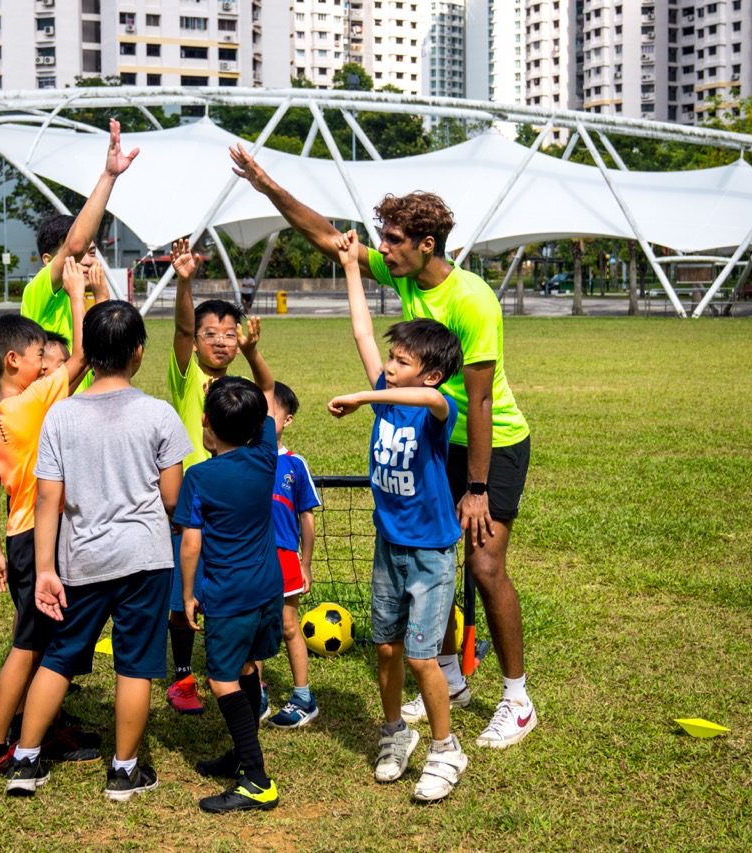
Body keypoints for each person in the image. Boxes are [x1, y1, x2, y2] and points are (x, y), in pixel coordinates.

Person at [230, 145, 536, 749]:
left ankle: (517, 697)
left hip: (489, 442)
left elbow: (475, 404)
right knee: (436, 559)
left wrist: (475, 489)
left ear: (426, 244)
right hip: (433, 441)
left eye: (392, 239)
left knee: (483, 563)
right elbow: (326, 237)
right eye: (383, 238)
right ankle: (449, 680)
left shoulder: (472, 300)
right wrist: (267, 185)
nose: (383, 247)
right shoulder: (401, 273)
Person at [3, 300, 191, 801]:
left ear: (88, 351)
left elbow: (47, 497)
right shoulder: (160, 415)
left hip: (79, 559)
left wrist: (46, 568)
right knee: (136, 664)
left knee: (60, 656)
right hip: (145, 559)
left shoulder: (60, 416)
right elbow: (173, 498)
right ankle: (124, 771)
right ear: (138, 352)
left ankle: (24, 761)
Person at [327, 229, 468, 802]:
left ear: (430, 374)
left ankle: (445, 750)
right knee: (384, 649)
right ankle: (394, 736)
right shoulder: (388, 389)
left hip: (430, 554)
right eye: (389, 359)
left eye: (400, 362)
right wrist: (351, 268)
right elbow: (362, 329)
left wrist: (365, 399)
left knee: (419, 656)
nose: (387, 368)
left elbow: (429, 402)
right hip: (390, 545)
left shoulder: (439, 405)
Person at [0, 258, 96, 780]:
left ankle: (45, 725)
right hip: (38, 539)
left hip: (16, 540)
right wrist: (75, 292)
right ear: (15, 360)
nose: (49, 364)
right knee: (29, 644)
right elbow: (87, 355)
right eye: (42, 356)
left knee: (45, 638)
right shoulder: (30, 404)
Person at [164, 237, 268, 716]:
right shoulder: (187, 375)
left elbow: (267, 398)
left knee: (227, 595)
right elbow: (182, 330)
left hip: (229, 510)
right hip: (188, 509)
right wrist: (185, 282)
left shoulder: (241, 389)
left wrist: (252, 354)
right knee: (180, 598)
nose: (222, 341)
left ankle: (244, 673)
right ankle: (183, 676)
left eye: (230, 334)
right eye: (212, 334)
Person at [174, 371, 283, 814]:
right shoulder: (265, 457)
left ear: (205, 423)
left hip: (229, 595)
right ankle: (240, 752)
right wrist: (252, 357)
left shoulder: (199, 477)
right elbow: (270, 398)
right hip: (267, 589)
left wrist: (186, 594)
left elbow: (191, 543)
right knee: (245, 667)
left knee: (221, 680)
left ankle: (256, 778)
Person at [21, 117, 138, 389]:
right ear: (49, 262)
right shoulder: (39, 292)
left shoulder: (89, 297)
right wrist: (109, 176)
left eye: (93, 252)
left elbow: (114, 362)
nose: (86, 259)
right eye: (80, 254)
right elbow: (74, 246)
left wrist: (102, 298)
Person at [257, 381, 322, 729]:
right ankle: (258, 693)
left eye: (269, 415)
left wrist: (306, 562)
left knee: (286, 625)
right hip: (252, 557)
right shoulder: (247, 458)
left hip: (284, 557)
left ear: (288, 420)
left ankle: (302, 696)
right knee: (255, 627)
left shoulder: (295, 465)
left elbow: (307, 516)